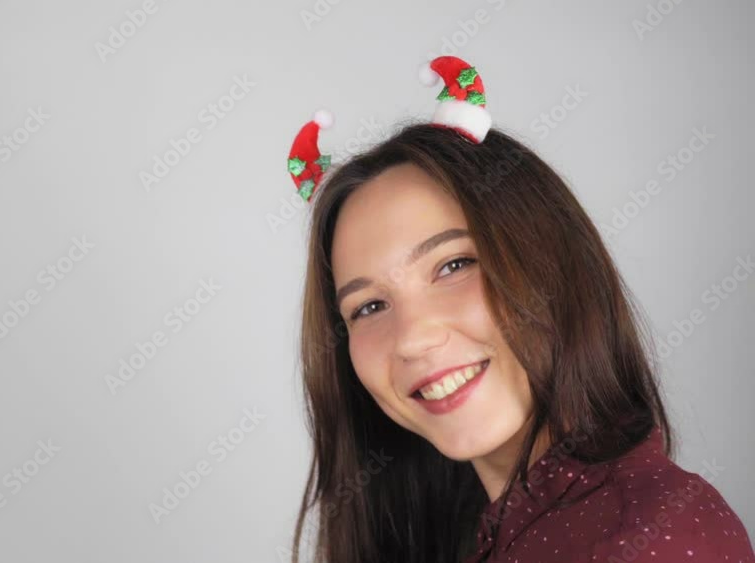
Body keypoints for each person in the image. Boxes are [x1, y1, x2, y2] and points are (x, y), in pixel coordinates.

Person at [284, 57, 755, 562]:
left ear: (556, 265)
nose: (412, 338)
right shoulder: (470, 536)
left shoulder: (649, 539)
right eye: (370, 305)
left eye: (454, 265)